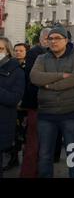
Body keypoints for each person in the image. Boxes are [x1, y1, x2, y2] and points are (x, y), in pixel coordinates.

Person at [30, 24, 74, 178]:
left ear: (66, 40)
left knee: (73, 153)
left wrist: (49, 85)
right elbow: (35, 77)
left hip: (70, 114)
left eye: (57, 38)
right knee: (45, 155)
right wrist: (61, 75)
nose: (53, 41)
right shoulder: (41, 58)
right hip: (46, 114)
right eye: (50, 38)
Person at [20, 28, 50, 178]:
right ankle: (28, 173)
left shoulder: (47, 53)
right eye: (51, 39)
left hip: (48, 105)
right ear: (43, 39)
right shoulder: (34, 53)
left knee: (42, 143)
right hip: (36, 104)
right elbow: (34, 79)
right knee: (33, 142)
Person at [2, 43, 30, 172]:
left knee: (19, 136)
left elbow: (16, 96)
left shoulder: (22, 69)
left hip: (19, 110)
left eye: (21, 50)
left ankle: (16, 158)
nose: (18, 52)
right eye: (16, 50)